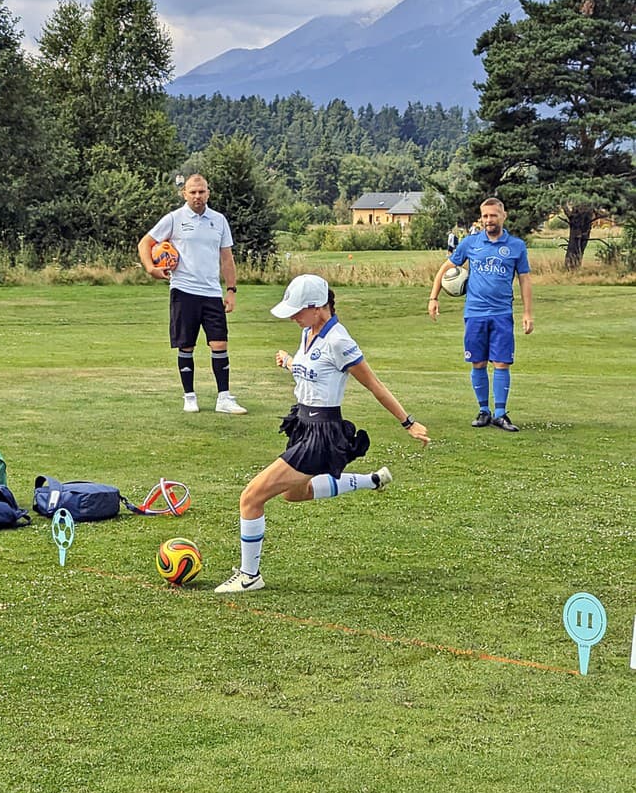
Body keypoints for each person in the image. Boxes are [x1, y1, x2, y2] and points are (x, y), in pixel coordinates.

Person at [214, 274, 430, 594]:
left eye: (298, 310)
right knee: (293, 493)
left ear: (319, 308)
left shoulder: (339, 341)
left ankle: (250, 575)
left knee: (251, 497)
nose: (292, 316)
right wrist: (289, 361)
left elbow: (375, 386)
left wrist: (408, 422)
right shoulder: (307, 332)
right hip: (302, 425)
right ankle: (370, 480)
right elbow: (313, 372)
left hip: (321, 433)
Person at [137, 173, 246, 414]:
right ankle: (190, 397)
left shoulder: (218, 221)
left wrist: (231, 290)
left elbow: (227, 258)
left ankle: (224, 398)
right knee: (186, 345)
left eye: (202, 191)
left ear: (208, 193)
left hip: (211, 292)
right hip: (183, 291)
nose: (197, 196)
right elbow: (145, 243)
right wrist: (151, 268)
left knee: (219, 343)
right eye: (193, 192)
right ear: (184, 194)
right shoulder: (174, 219)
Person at [428, 196, 533, 433]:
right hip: (475, 314)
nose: (488, 220)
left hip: (502, 314)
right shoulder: (470, 243)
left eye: (493, 215)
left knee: (502, 363)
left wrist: (528, 313)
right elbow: (443, 270)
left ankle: (500, 414)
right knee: (478, 362)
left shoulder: (516, 246)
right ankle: (483, 411)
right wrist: (434, 298)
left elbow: (525, 280)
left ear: (503, 216)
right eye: (485, 216)